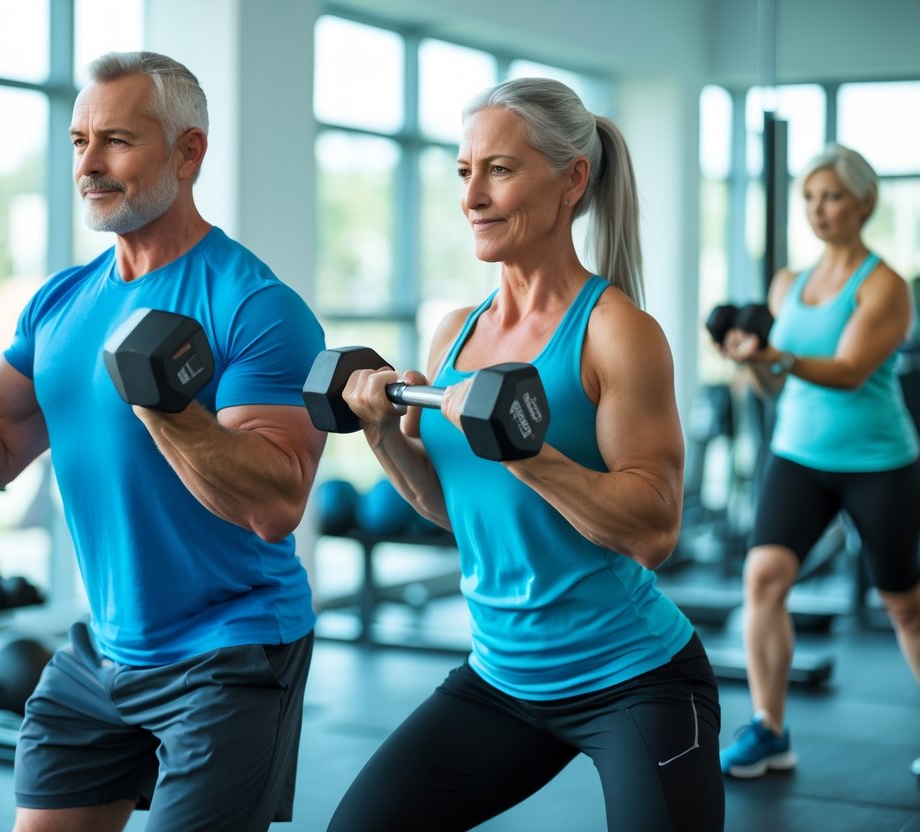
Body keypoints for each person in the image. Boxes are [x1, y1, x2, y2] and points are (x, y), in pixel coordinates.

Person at [0, 51, 327, 831]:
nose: (90, 163)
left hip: (231, 649)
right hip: (104, 651)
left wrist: (167, 409)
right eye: (79, 140)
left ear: (188, 153)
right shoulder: (61, 302)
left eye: (116, 140)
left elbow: (275, 503)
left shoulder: (256, 306)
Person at [326, 77, 724, 832]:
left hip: (632, 678)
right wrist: (381, 433)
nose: (472, 195)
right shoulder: (455, 334)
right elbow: (451, 508)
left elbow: (654, 532)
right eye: (462, 171)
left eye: (499, 170)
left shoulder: (615, 332)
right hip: (501, 679)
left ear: (572, 179)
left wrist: (525, 452)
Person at [716, 143, 920, 780]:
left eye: (830, 196)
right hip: (798, 455)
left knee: (903, 604)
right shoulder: (789, 283)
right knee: (763, 580)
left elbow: (852, 371)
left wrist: (776, 358)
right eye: (808, 197)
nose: (817, 209)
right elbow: (782, 386)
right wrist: (755, 363)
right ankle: (769, 730)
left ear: (862, 202)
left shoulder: (884, 286)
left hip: (878, 461)